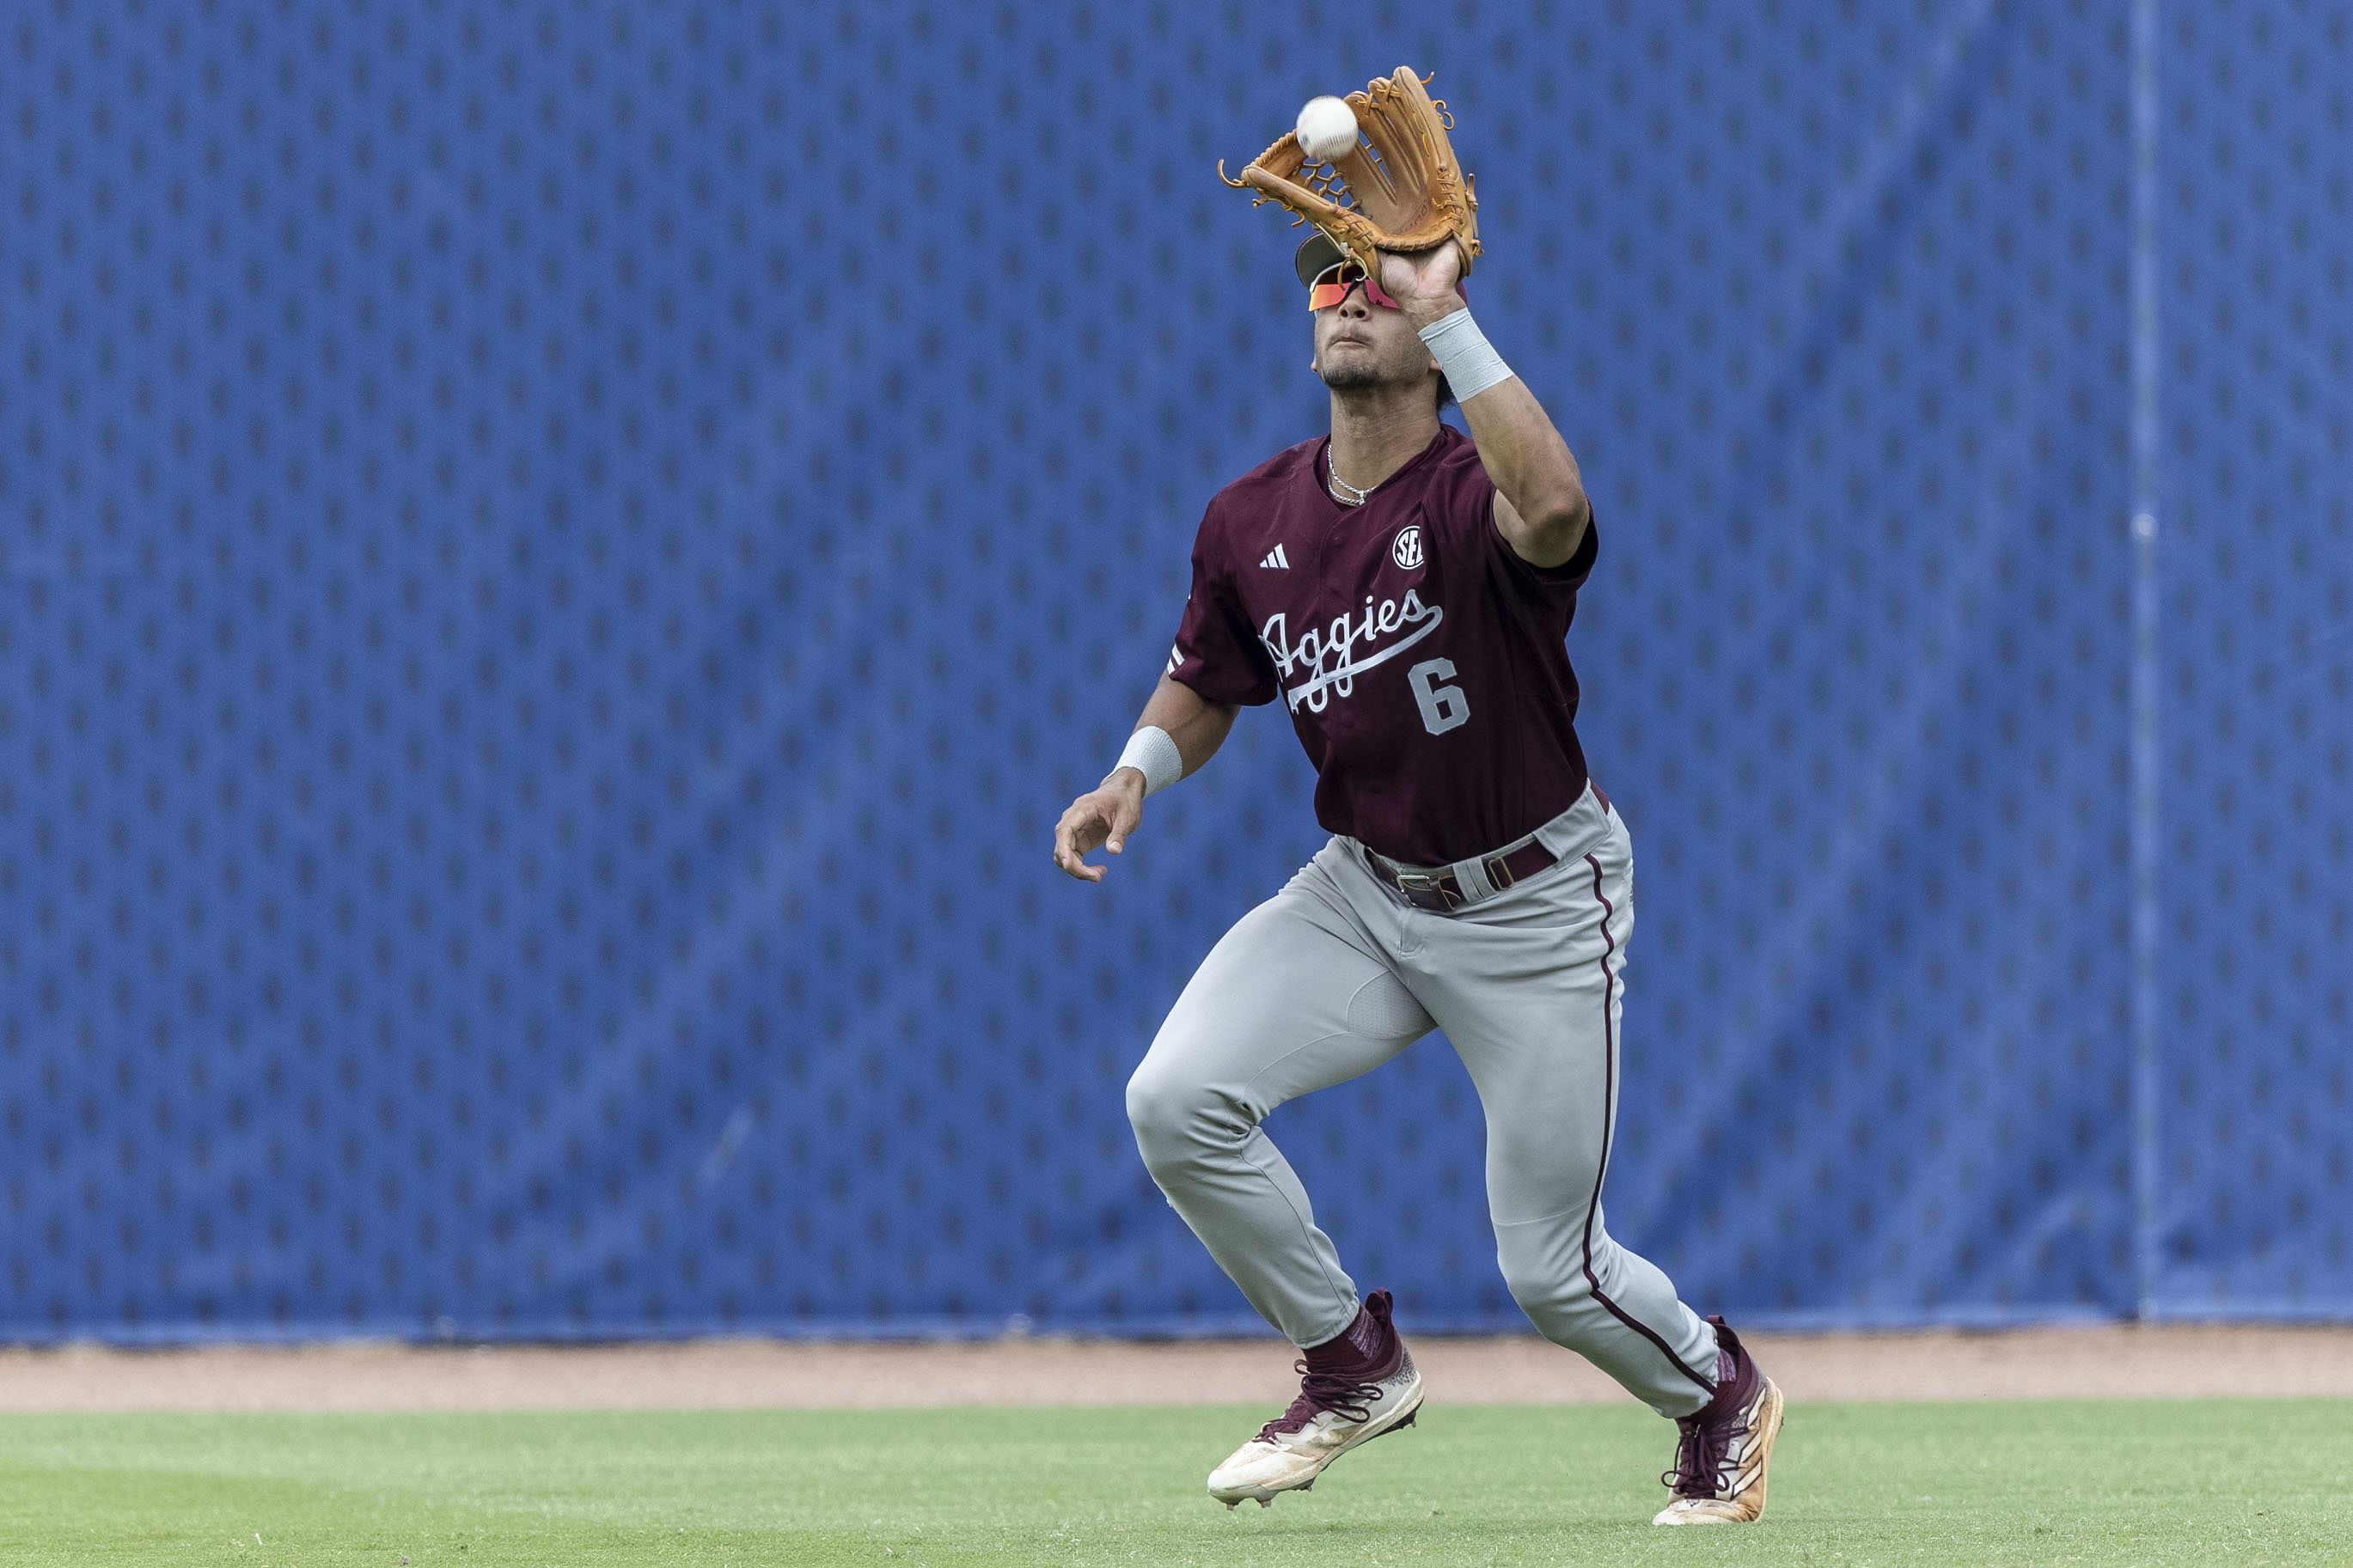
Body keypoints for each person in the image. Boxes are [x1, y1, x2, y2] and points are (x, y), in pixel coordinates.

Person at [1051, 230, 1782, 1526]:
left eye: (1371, 283)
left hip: (1538, 903)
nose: (1344, 300)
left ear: (1434, 328)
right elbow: (1215, 676)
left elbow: (1554, 511)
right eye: (1325, 283)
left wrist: (1446, 313)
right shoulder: (1250, 517)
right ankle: (1347, 1361)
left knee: (1551, 1274)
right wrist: (1133, 772)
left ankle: (1713, 1389)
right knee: (1174, 1098)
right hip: (1367, 892)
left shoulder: (1468, 488)